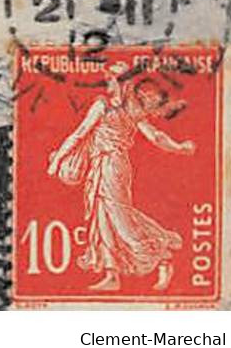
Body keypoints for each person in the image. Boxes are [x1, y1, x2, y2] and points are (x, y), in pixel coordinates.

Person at [45, 65, 194, 292]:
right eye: (108, 79)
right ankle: (111, 273)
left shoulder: (119, 109)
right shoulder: (107, 106)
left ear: (124, 84)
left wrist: (180, 148)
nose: (109, 84)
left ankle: (163, 257)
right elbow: (81, 132)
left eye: (113, 80)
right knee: (102, 217)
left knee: (119, 216)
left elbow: (155, 136)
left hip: (113, 165)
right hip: (100, 165)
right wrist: (179, 148)